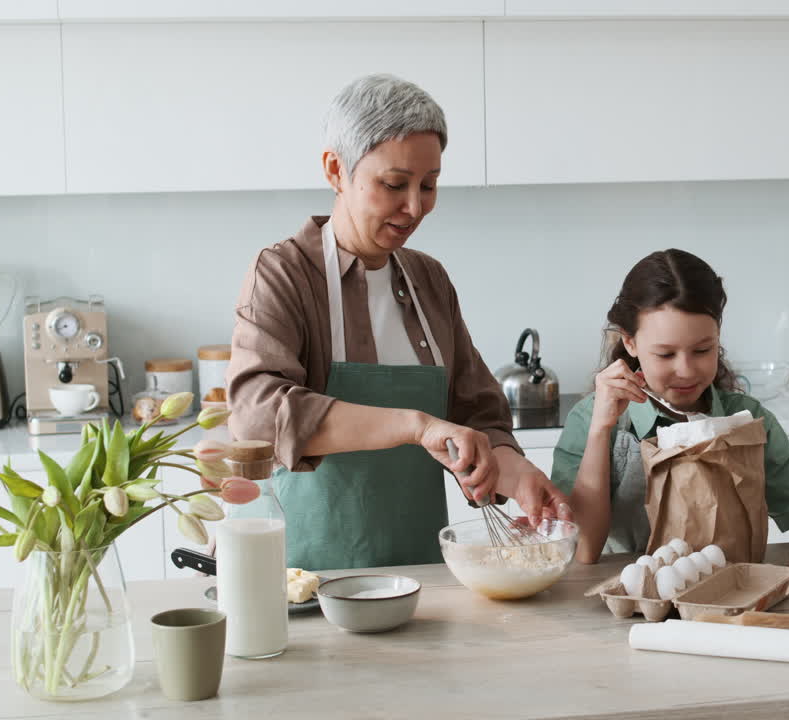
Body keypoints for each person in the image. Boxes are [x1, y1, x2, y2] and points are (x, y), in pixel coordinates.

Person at [227, 73, 570, 571]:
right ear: (335, 170)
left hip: (417, 577)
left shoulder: (428, 280)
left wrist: (516, 475)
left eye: (429, 185)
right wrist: (414, 426)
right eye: (394, 185)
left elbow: (476, 412)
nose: (415, 207)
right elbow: (258, 415)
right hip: (303, 576)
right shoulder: (283, 274)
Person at [551, 249, 789, 578]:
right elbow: (584, 550)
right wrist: (600, 430)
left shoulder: (747, 420)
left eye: (702, 350)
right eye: (665, 354)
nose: (686, 370)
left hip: (730, 595)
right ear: (630, 343)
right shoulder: (590, 420)